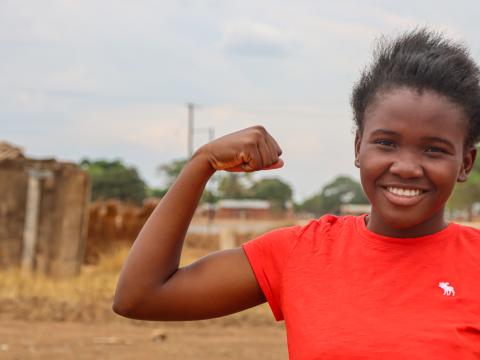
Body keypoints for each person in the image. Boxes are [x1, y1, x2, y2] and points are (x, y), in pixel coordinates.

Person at [113, 29, 480, 358]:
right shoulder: (304, 253)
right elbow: (141, 296)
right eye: (386, 143)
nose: (406, 166)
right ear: (358, 147)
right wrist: (201, 164)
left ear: (465, 163)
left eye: (434, 149)